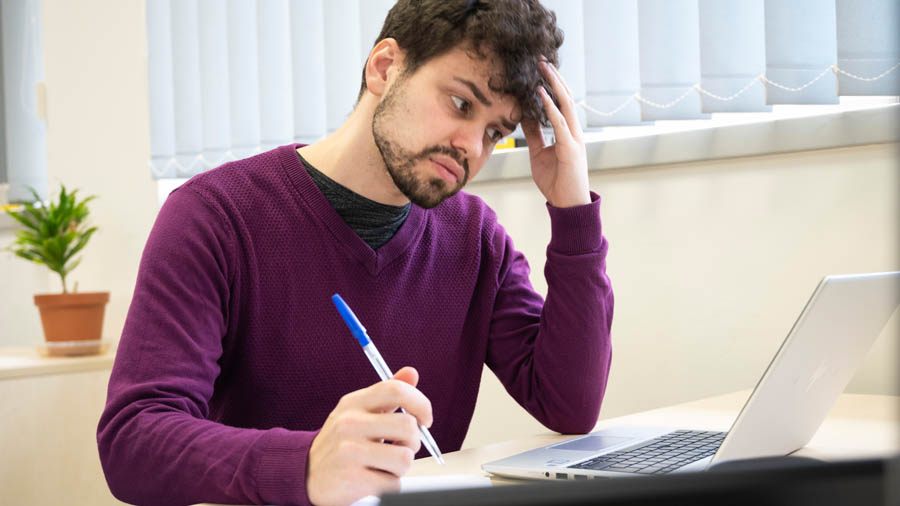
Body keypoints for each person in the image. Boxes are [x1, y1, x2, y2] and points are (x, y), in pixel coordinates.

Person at [97, 1, 614, 505]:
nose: (471, 147)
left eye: (494, 133)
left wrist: (572, 208)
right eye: (461, 104)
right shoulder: (214, 216)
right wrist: (306, 465)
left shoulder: (476, 239)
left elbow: (569, 403)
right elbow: (132, 441)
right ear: (385, 67)